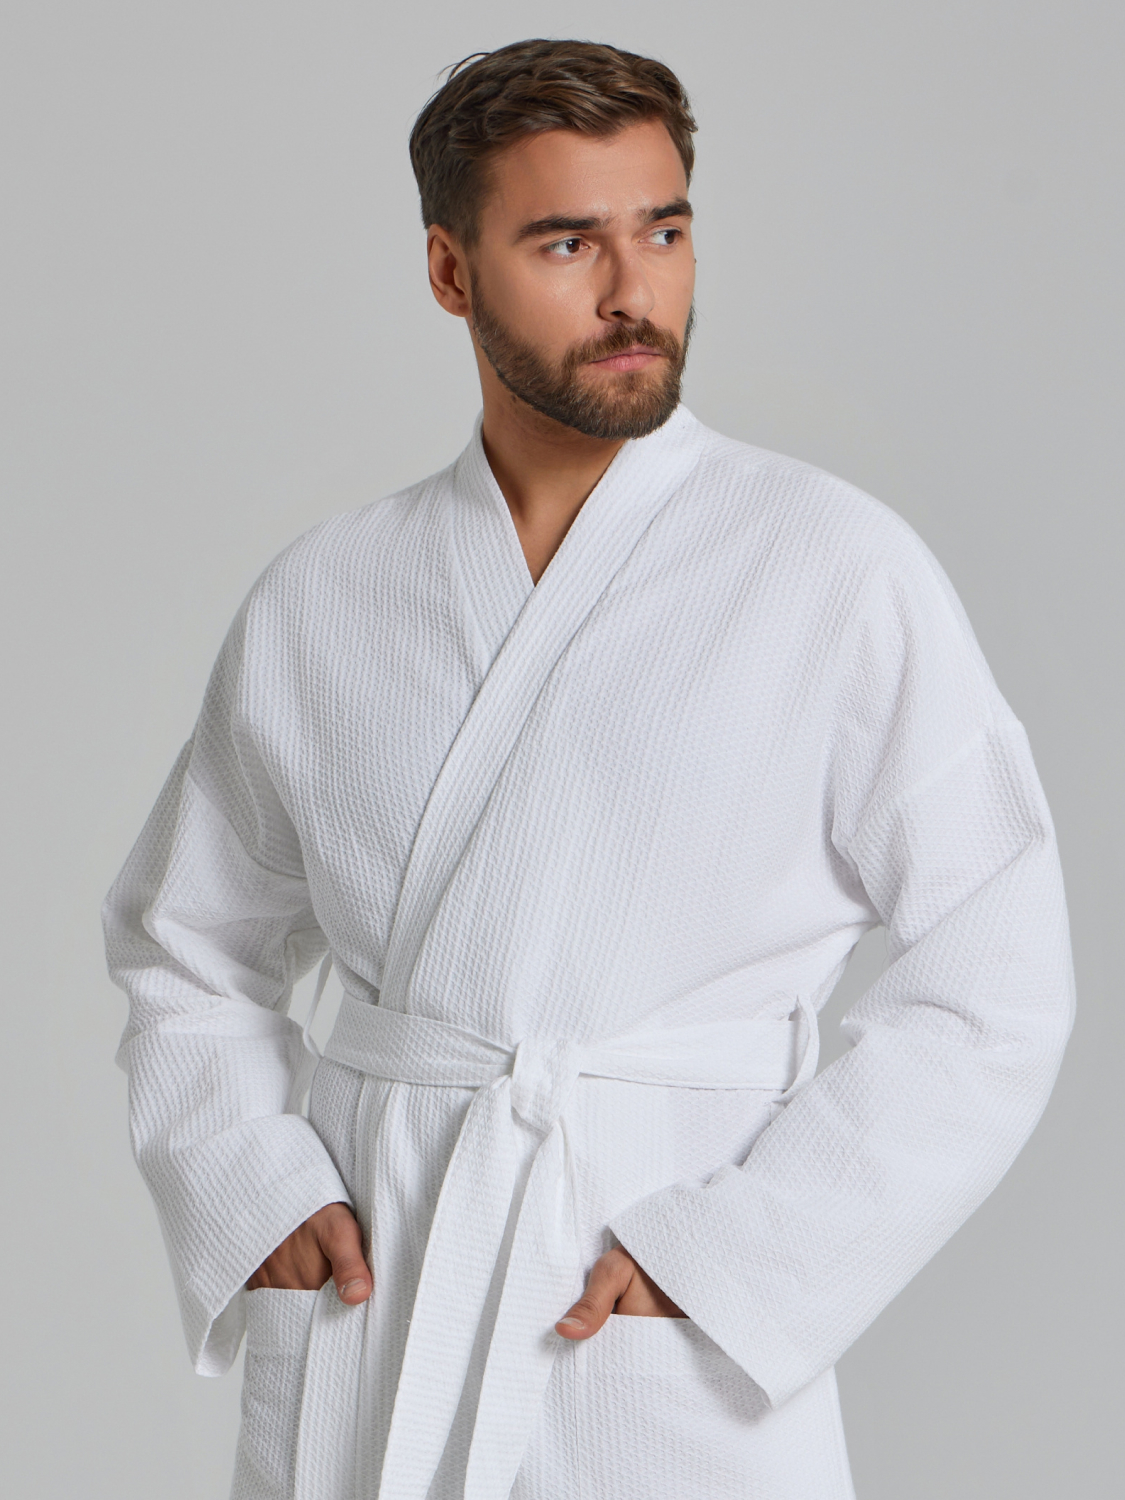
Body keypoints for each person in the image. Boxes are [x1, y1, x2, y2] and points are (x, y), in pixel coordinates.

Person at [103, 37, 1075, 1500]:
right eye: (567, 244)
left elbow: (995, 982)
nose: (635, 292)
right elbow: (185, 944)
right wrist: (254, 1186)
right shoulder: (324, 596)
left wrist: (731, 1260)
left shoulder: (833, 568)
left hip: (651, 1295)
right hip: (387, 1285)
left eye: (664, 232)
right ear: (451, 272)